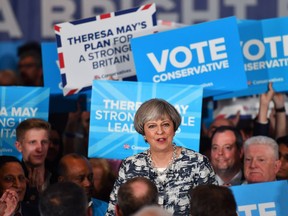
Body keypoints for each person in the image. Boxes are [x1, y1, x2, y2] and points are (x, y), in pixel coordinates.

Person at [106, 98, 217, 215]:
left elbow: (214, 209)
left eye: (165, 124)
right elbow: (113, 210)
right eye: (152, 126)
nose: (160, 131)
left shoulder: (198, 162)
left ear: (174, 129)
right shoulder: (131, 165)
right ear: (143, 133)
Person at [15, 118, 53, 210]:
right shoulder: (13, 181)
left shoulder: (59, 177)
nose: (40, 148)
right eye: (33, 142)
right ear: (19, 146)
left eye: (44, 142)